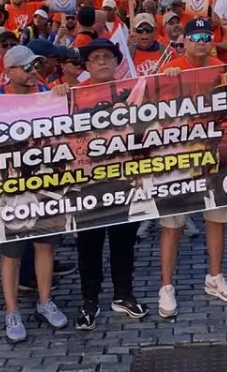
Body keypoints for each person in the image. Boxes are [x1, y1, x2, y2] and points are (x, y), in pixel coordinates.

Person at [156, 18, 227, 317]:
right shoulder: (171, 68)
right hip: (177, 158)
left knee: (217, 219)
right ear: (184, 41)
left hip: (213, 155)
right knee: (172, 226)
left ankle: (214, 277)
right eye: (195, 36)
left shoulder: (221, 68)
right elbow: (152, 108)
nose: (202, 41)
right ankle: (166, 286)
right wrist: (168, 79)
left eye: (206, 36)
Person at [0, 46, 69, 342]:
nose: (32, 71)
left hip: (46, 182)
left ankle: (44, 301)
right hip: (13, 184)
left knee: (45, 246)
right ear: (9, 71)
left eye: (35, 65)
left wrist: (64, 93)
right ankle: (11, 311)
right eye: (25, 67)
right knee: (11, 252)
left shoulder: (48, 93)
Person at [73, 39, 148, 328]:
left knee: (123, 242)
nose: (103, 62)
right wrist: (55, 92)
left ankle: (123, 294)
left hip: (122, 177)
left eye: (108, 57)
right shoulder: (73, 94)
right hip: (86, 182)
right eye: (96, 58)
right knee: (88, 244)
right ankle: (89, 299)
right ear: (87, 65)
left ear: (117, 63)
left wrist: (172, 77)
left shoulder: (132, 90)